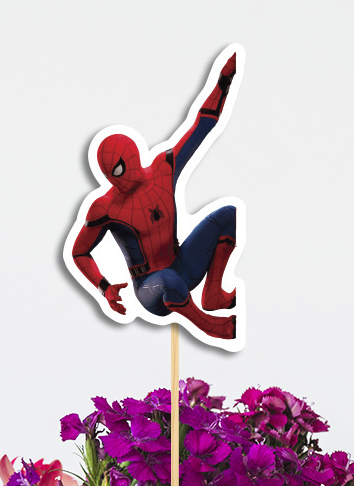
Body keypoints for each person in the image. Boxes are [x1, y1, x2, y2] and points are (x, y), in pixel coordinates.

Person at [70, 53, 240, 340]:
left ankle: (212, 294)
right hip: (150, 288)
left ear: (135, 156)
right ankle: (209, 326)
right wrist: (104, 287)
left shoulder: (164, 169)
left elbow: (202, 125)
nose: (116, 180)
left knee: (228, 215)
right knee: (169, 281)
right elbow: (79, 252)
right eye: (109, 174)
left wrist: (223, 81)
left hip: (183, 263)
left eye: (118, 169)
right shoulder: (104, 207)